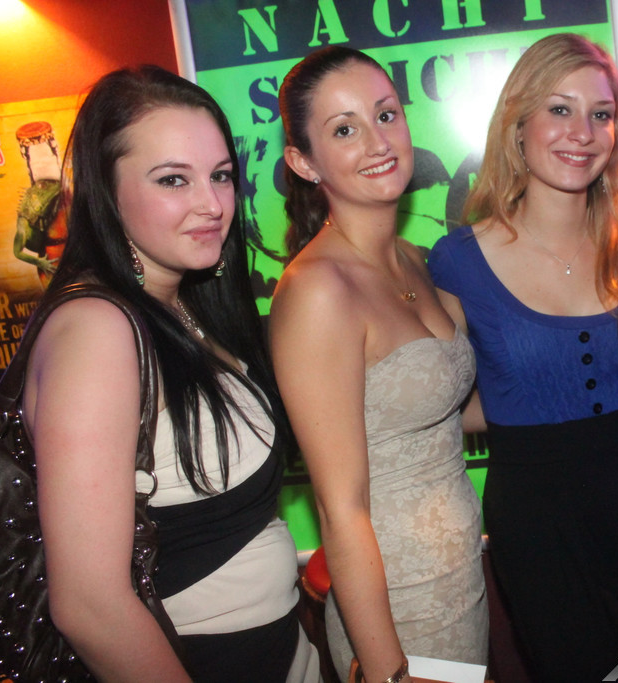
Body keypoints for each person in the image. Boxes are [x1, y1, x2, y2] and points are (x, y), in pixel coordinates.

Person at [26, 66, 319, 682]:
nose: (211, 205)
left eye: (220, 176)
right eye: (172, 180)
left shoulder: (186, 303)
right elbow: (90, 607)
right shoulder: (96, 329)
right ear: (106, 191)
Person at [428, 33, 618, 682]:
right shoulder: (459, 261)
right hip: (535, 524)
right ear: (518, 124)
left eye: (600, 114)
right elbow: (440, 399)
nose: (581, 132)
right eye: (559, 109)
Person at [270, 46, 488, 683]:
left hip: (463, 582)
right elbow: (340, 508)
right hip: (395, 609)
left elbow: (441, 415)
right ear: (303, 162)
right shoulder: (316, 290)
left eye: (386, 115)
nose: (377, 141)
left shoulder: (417, 259)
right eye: (345, 130)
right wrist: (389, 670)